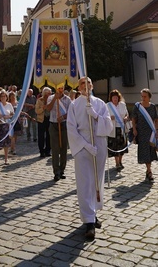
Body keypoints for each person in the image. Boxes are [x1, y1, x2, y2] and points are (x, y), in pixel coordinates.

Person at [67, 77, 113, 240]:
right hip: (82, 146)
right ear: (78, 87)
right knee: (85, 182)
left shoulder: (100, 103)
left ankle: (93, 212)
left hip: (99, 144)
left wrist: (95, 115)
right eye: (82, 84)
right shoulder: (74, 105)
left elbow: (108, 126)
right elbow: (71, 129)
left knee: (96, 180)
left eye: (88, 83)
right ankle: (88, 221)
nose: (85, 86)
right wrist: (86, 145)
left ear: (92, 86)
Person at [132, 88, 158, 182]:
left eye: (145, 96)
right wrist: (134, 129)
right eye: (142, 96)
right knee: (145, 151)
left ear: (149, 97)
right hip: (141, 133)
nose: (143, 98)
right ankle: (149, 171)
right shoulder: (137, 106)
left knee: (150, 151)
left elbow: (156, 119)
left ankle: (148, 171)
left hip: (151, 132)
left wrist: (156, 130)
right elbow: (134, 119)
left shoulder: (153, 107)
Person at [47, 85, 71, 181]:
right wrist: (55, 99)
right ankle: (56, 171)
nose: (60, 90)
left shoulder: (68, 99)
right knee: (55, 149)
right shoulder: (50, 97)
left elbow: (71, 112)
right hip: (53, 124)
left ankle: (62, 170)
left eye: (61, 88)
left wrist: (63, 117)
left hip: (64, 125)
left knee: (64, 148)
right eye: (58, 88)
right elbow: (48, 108)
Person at [107, 89, 129, 171]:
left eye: (116, 97)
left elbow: (127, 114)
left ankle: (120, 161)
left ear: (118, 97)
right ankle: (117, 163)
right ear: (111, 98)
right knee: (115, 147)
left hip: (122, 128)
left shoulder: (122, 105)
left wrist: (126, 117)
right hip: (113, 129)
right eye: (113, 97)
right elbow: (104, 117)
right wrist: (109, 117)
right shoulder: (108, 106)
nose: (115, 99)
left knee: (122, 146)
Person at [0, 90, 14, 165]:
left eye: (4, 96)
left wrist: (8, 116)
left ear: (6, 97)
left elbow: (12, 114)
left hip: (6, 125)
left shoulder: (9, 105)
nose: (3, 97)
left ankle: (6, 158)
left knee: (6, 142)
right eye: (1, 96)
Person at [35, 87, 51, 158]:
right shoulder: (39, 100)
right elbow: (37, 111)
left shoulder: (51, 100)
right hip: (41, 120)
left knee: (49, 135)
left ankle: (48, 150)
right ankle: (41, 151)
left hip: (49, 119)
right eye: (48, 93)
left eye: (50, 93)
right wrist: (43, 108)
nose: (49, 95)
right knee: (41, 136)